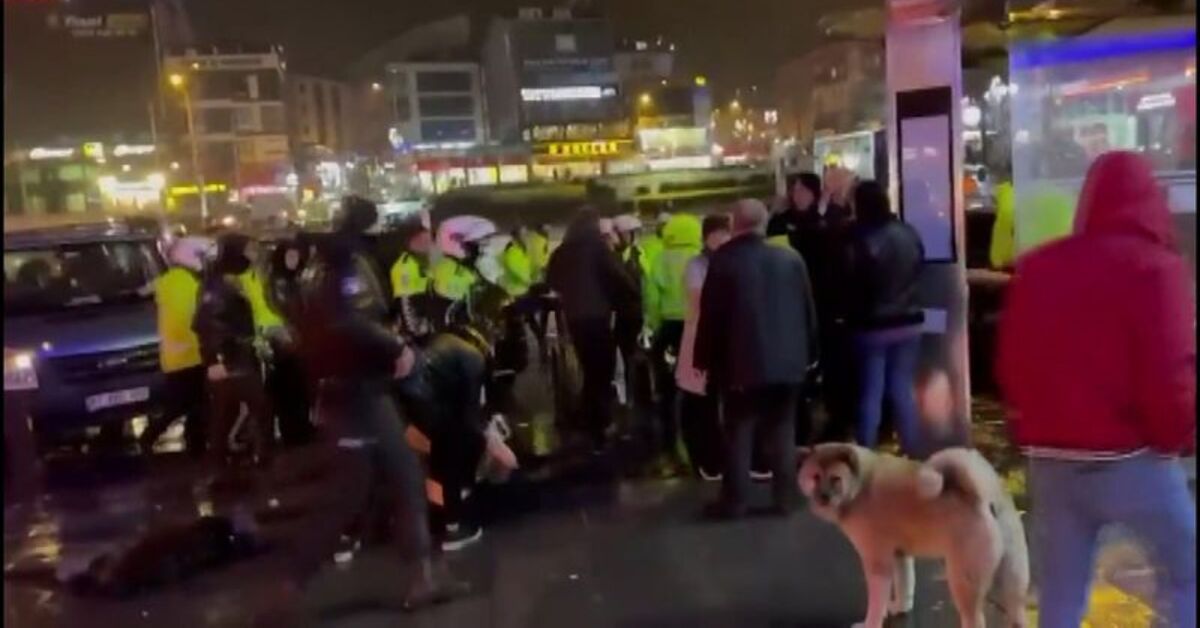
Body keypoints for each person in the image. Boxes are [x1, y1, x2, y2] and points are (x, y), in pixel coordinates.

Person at [996, 151, 1196, 628]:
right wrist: (1176, 438)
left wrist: (1026, 427)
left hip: (1051, 461)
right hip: (1132, 460)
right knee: (1189, 572)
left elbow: (1011, 362)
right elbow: (1170, 372)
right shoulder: (1157, 268)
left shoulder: (1038, 267)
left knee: (1062, 595)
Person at [278, 196, 467, 616]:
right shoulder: (345, 262)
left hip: (349, 389)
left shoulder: (320, 261)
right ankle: (290, 588)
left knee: (388, 482)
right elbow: (348, 320)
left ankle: (422, 576)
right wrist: (395, 346)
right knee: (362, 490)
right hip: (357, 392)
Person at [695, 199, 818, 518]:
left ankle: (735, 501)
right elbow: (807, 310)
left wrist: (704, 359)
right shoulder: (791, 259)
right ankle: (786, 498)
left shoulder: (724, 261)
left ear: (734, 223)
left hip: (740, 364)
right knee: (782, 430)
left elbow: (711, 316)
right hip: (788, 363)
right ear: (764, 224)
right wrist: (810, 355)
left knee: (739, 431)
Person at [546, 208, 640, 451]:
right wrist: (629, 297)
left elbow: (551, 281)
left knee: (590, 369)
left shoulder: (562, 251)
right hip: (597, 317)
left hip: (574, 320)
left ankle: (587, 418)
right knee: (602, 370)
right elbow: (617, 277)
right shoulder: (597, 249)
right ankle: (597, 424)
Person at [843, 180, 925, 456]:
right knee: (902, 389)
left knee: (871, 391)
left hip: (872, 325)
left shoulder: (858, 237)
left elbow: (850, 280)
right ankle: (913, 452)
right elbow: (918, 267)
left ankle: (866, 453)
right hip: (910, 320)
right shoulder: (908, 232)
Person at [192, 233, 274, 468]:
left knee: (228, 411)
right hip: (231, 359)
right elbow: (206, 326)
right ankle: (257, 458)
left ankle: (224, 460)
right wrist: (215, 360)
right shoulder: (217, 286)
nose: (252, 254)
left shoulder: (230, 281)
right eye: (248, 249)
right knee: (257, 407)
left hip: (239, 356)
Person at [141, 236, 212, 456]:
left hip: (178, 356)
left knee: (193, 404)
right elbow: (191, 318)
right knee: (186, 404)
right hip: (189, 354)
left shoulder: (170, 281)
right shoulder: (186, 283)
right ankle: (153, 436)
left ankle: (195, 443)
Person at [644, 213, 703, 473]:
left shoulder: (659, 259)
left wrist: (657, 327)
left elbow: (651, 298)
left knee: (668, 386)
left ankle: (669, 429)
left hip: (669, 328)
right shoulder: (700, 258)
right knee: (701, 383)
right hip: (698, 328)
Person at [676, 213, 731, 481]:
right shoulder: (696, 265)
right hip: (701, 340)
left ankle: (721, 457)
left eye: (726, 234)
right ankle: (708, 460)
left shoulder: (729, 261)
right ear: (707, 237)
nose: (723, 239)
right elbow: (698, 302)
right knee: (702, 402)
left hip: (724, 341)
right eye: (718, 234)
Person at [264, 236, 315, 446]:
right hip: (286, 343)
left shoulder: (296, 279)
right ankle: (293, 431)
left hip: (299, 341)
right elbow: (282, 310)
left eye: (296, 255)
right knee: (289, 389)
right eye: (290, 256)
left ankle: (301, 427)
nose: (294, 260)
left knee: (300, 388)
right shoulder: (278, 282)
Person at [390, 217, 437, 344]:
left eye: (429, 239)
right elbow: (405, 304)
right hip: (416, 336)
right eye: (423, 239)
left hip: (428, 328)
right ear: (410, 241)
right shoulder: (405, 267)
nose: (428, 243)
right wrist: (416, 334)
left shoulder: (422, 261)